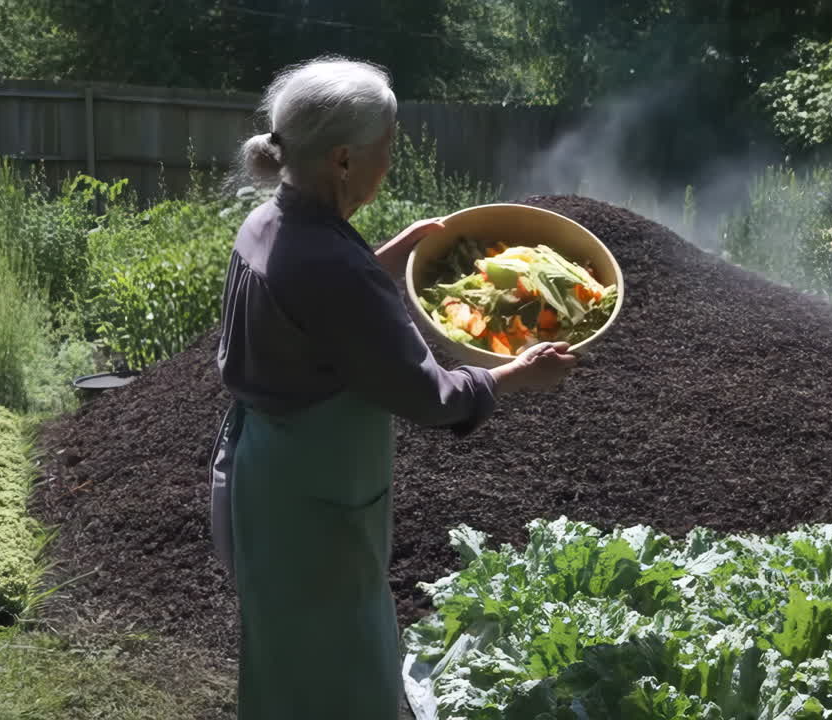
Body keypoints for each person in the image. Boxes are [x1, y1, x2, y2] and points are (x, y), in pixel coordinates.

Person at [209, 56, 578, 719]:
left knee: (287, 657)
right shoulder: (327, 263)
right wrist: (515, 375)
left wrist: (381, 259)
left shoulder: (269, 224)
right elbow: (425, 395)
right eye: (388, 147)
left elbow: (309, 315)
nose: (390, 161)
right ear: (344, 160)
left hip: (270, 475)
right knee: (338, 661)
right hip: (316, 496)